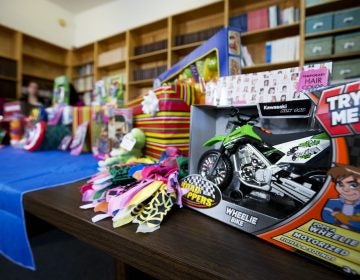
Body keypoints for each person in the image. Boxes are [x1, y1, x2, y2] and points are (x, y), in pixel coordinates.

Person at [322, 164, 360, 232]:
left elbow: (357, 225)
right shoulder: (332, 202)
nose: (345, 189)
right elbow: (325, 215)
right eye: (340, 184)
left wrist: (337, 215)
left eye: (353, 185)